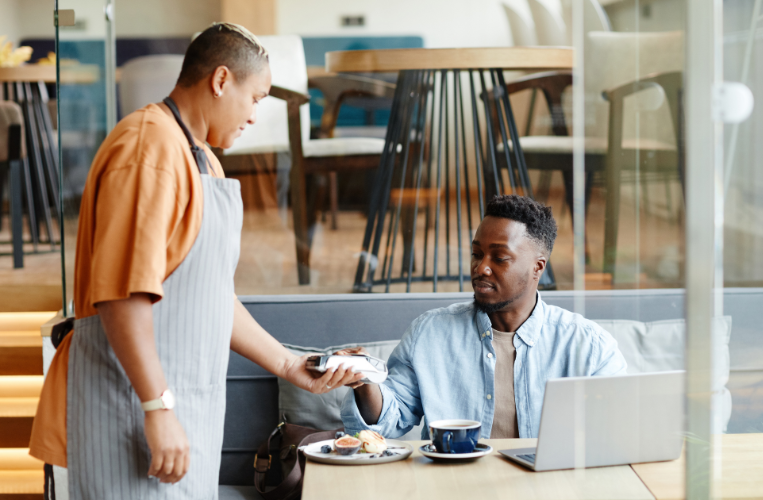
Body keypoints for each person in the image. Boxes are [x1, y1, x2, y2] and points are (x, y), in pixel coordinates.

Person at [28, 23, 363, 499]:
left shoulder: (201, 157)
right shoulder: (149, 148)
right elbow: (122, 297)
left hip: (183, 415)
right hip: (131, 410)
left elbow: (209, 296)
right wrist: (157, 406)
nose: (254, 116)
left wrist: (289, 365)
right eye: (256, 97)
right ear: (221, 80)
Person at [340, 195, 627, 439]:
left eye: (499, 258)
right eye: (477, 254)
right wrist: (365, 382)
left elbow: (617, 433)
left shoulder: (589, 346)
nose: (481, 268)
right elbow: (391, 417)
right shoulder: (430, 333)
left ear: (537, 267)